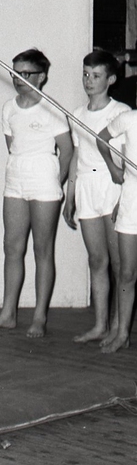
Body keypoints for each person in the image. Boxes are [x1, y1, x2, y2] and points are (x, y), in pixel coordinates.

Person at [0, 49, 72, 337]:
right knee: (12, 247)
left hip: (44, 182)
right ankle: (8, 313)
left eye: (26, 73)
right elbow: (13, 146)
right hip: (15, 179)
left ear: (41, 77)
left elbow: (67, 151)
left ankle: (39, 317)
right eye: (15, 72)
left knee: (42, 250)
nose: (18, 78)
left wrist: (54, 181)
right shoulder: (9, 108)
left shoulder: (52, 109)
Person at [63, 50, 128, 345]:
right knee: (97, 259)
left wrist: (123, 197)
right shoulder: (77, 114)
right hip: (87, 186)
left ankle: (118, 328)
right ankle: (101, 325)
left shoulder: (121, 112)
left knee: (119, 264)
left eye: (96, 76)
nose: (89, 81)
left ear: (110, 79)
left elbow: (126, 158)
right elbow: (77, 155)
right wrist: (70, 195)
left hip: (112, 185)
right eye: (86, 75)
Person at [98, 100, 137, 353]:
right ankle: (122, 333)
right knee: (127, 272)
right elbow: (101, 138)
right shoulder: (129, 119)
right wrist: (114, 168)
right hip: (131, 200)